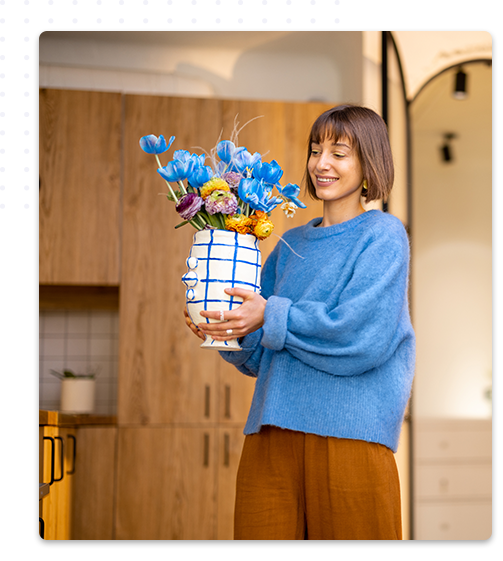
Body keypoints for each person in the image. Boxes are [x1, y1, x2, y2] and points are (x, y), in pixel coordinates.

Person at [184, 104, 416, 540]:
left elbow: (361, 337)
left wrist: (269, 314)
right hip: (271, 435)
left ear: (369, 163)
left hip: (350, 438)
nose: (321, 163)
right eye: (315, 150)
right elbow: (261, 350)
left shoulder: (383, 235)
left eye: (339, 152)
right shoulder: (289, 243)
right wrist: (225, 327)